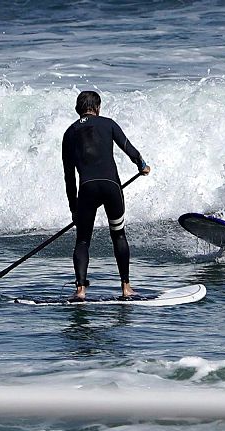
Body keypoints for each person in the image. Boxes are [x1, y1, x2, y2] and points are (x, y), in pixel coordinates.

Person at [61, 89, 150, 299]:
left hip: (87, 189)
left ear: (78, 110)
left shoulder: (69, 133)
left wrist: (74, 207)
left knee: (82, 241)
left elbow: (69, 175)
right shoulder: (108, 123)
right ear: (98, 108)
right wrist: (142, 165)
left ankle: (80, 290)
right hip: (111, 187)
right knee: (118, 234)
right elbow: (128, 148)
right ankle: (126, 287)